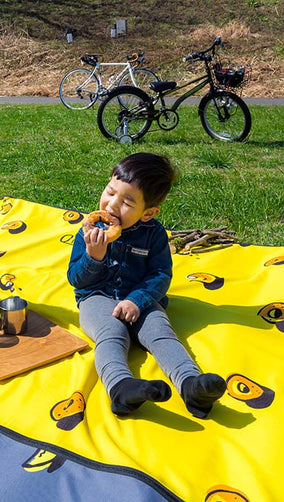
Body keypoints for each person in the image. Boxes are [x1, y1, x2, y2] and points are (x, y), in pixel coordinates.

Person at [67, 152, 226, 418]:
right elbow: (76, 279)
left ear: (148, 212)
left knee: (160, 331)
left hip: (139, 296)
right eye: (110, 192)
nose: (113, 205)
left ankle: (190, 384)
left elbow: (161, 274)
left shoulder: (154, 235)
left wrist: (138, 300)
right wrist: (94, 257)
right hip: (96, 295)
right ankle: (121, 388)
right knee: (111, 332)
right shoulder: (90, 233)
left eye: (128, 202)